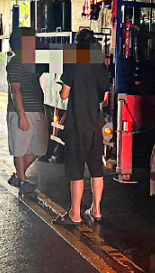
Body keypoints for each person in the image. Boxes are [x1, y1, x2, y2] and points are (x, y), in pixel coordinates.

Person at [54, 28, 110, 226]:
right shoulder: (100, 63)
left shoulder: (74, 61)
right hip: (95, 123)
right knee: (96, 168)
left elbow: (64, 95)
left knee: (76, 169)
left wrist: (62, 88)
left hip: (78, 124)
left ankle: (75, 214)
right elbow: (104, 96)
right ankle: (96, 210)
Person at [6, 28, 48, 196]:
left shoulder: (32, 60)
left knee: (39, 149)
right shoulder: (15, 63)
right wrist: (22, 116)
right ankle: (23, 181)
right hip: (22, 112)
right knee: (20, 149)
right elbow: (16, 91)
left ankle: (18, 175)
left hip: (37, 109)